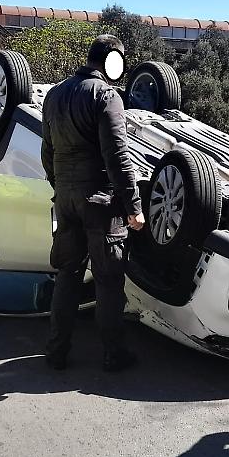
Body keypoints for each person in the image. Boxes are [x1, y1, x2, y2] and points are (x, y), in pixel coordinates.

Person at [40, 35, 146, 372]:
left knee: (67, 275)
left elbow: (48, 152)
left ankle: (57, 352)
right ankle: (113, 354)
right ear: (113, 59)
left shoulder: (54, 95)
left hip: (67, 198)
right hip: (100, 202)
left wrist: (62, 187)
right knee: (108, 281)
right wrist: (133, 206)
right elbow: (117, 156)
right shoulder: (106, 95)